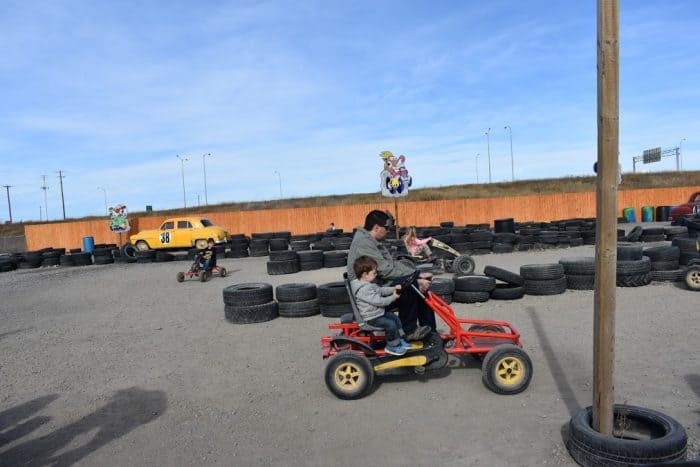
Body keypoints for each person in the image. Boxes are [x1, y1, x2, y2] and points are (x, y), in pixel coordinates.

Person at [347, 210, 435, 341]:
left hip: (376, 287)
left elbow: (392, 264)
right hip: (370, 296)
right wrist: (414, 279)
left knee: (420, 290)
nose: (389, 231)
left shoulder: (371, 240)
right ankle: (409, 331)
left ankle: (430, 333)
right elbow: (385, 270)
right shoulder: (364, 243)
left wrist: (417, 274)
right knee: (408, 287)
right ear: (377, 227)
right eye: (387, 228)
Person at [351, 256, 411, 355]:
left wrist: (393, 288)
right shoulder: (363, 289)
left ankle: (399, 339)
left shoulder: (368, 284)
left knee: (395, 318)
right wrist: (393, 297)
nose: (376, 274)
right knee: (390, 324)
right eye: (374, 273)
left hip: (377, 313)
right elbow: (379, 301)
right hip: (371, 318)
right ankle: (392, 346)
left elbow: (380, 290)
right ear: (365, 274)